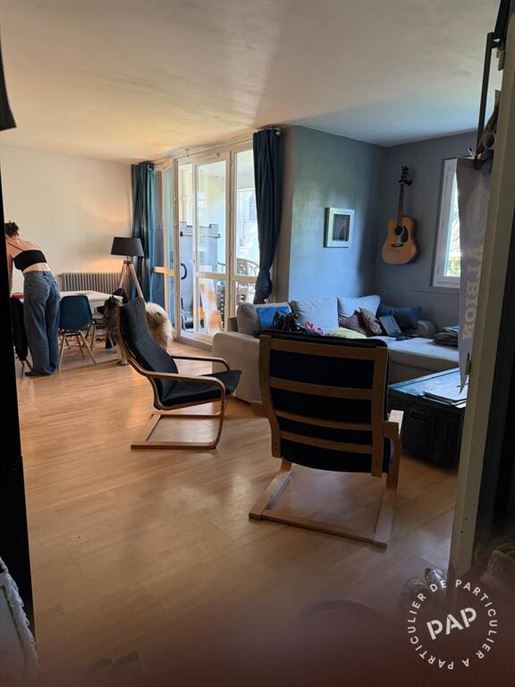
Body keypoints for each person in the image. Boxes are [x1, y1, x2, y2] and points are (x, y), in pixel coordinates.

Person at [5, 221, 60, 376]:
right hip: (52, 281)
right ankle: (53, 365)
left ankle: (42, 369)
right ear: (16, 231)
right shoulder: (32, 243)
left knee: (36, 327)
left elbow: (8, 275)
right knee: (51, 326)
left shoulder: (8, 245)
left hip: (35, 282)